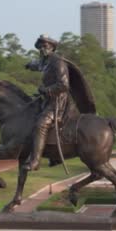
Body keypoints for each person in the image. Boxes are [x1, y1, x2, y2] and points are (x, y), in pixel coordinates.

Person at [22, 35, 95, 171]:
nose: (42, 49)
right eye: (40, 47)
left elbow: (63, 85)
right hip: (47, 100)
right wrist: (29, 65)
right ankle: (52, 155)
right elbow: (38, 65)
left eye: (45, 46)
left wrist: (46, 90)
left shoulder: (57, 62)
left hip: (58, 103)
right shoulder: (46, 61)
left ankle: (35, 161)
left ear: (52, 48)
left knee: (41, 124)